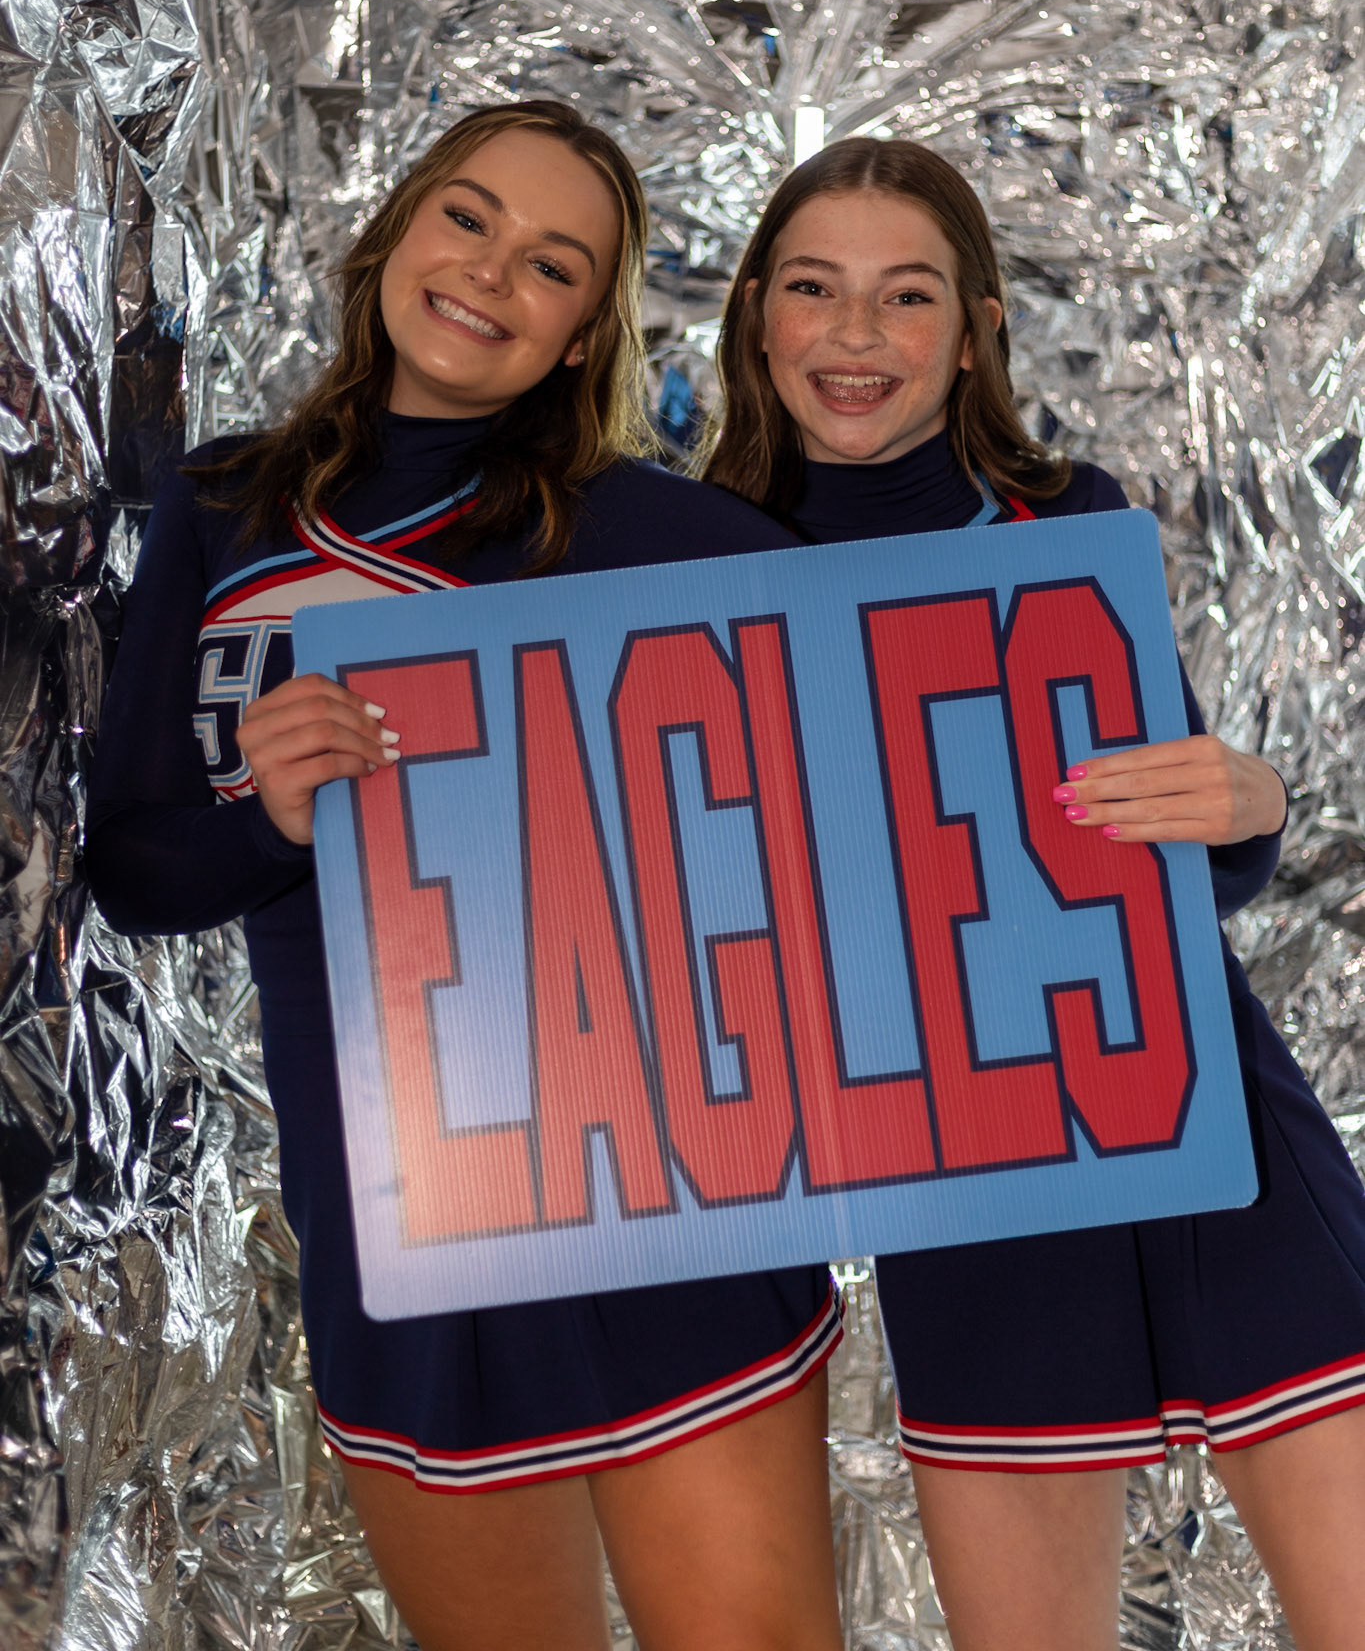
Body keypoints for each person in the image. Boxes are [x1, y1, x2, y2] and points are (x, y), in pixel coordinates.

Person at [84, 101, 846, 1651]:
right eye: (468, 218)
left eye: (552, 264)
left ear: (584, 334)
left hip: (666, 1215)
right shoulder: (225, 508)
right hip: (398, 1232)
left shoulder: (669, 539)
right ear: (396, 234)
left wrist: (1220, 808)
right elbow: (138, 868)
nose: (492, 273)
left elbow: (931, 732)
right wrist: (272, 820)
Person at [702, 135, 1365, 1651]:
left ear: (973, 331)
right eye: (812, 288)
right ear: (755, 317)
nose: (856, 333)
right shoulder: (679, 570)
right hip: (973, 1178)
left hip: (1203, 1119)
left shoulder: (1066, 520)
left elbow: (1169, 851)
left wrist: (1249, 801)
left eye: (906, 294)